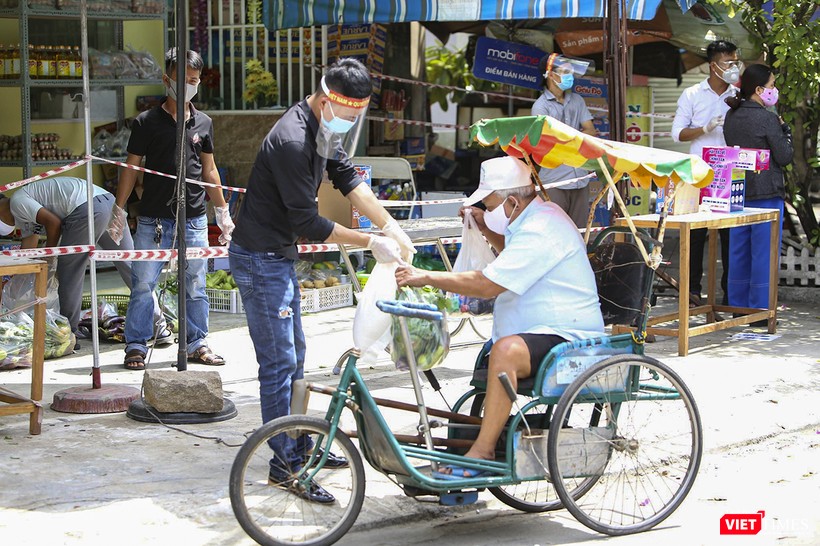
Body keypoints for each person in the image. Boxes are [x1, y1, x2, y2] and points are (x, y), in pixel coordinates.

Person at [228, 57, 415, 503]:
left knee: (295, 358)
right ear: (328, 98)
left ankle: (299, 442)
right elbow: (309, 222)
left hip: (278, 257)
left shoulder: (324, 129)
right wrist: (370, 241)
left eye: (356, 116)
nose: (350, 123)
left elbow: (348, 179)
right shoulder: (292, 139)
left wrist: (391, 226)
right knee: (278, 364)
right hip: (259, 259)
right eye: (349, 114)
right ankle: (286, 465)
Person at [395, 156, 605, 477]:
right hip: (542, 329)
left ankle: (484, 448)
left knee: (505, 351)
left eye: (490, 206)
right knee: (494, 349)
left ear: (511, 202)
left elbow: (486, 284)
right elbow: (514, 256)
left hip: (568, 337)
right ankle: (480, 437)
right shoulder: (531, 219)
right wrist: (484, 227)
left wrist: (423, 276)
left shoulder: (541, 227)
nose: (487, 211)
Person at [107, 48, 234, 371]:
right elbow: (132, 167)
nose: (187, 86)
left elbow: (210, 170)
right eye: (181, 81)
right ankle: (135, 344)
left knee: (196, 284)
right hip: (153, 219)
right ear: (167, 80)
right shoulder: (146, 122)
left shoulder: (203, 123)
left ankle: (196, 343)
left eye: (193, 81)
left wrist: (222, 211)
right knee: (143, 283)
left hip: (193, 219)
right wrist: (119, 210)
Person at [0, 177, 170, 348]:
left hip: (86, 209)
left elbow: (54, 223)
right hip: (108, 203)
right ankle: (159, 326)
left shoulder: (17, 201)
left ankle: (68, 334)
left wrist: (51, 256)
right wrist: (18, 280)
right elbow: (29, 245)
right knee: (132, 267)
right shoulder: (21, 208)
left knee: (69, 270)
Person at [671, 40, 741, 304]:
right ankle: (692, 292)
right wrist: (705, 128)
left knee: (729, 235)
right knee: (695, 234)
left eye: (736, 61)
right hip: (698, 174)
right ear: (713, 66)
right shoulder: (692, 94)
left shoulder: (738, 95)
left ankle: (729, 295)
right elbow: (676, 133)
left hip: (730, 172)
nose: (734, 67)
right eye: (729, 63)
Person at [723, 63, 793, 318]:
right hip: (766, 192)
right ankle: (761, 310)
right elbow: (784, 156)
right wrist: (786, 133)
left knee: (739, 251)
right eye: (772, 86)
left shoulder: (732, 115)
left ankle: (738, 307)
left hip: (738, 190)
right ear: (759, 89)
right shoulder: (767, 118)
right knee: (764, 254)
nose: (774, 91)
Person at [531, 53, 597, 229]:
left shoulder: (577, 100)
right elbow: (548, 142)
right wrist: (578, 137)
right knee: (555, 231)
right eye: (565, 71)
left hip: (580, 177)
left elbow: (591, 130)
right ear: (551, 75)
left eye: (571, 71)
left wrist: (567, 139)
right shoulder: (540, 106)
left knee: (580, 231)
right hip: (555, 179)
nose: (570, 76)